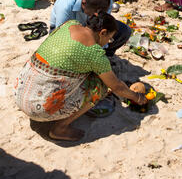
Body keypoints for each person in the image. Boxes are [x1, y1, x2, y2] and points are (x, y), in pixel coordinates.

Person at [15, 12, 147, 142]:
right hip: (39, 109)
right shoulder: (94, 53)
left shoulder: (69, 24)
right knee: (100, 86)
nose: (108, 42)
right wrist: (137, 97)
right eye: (109, 38)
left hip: (20, 91)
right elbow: (117, 87)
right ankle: (60, 127)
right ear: (102, 32)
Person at [50, 0, 131, 57]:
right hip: (64, 31)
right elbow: (61, 37)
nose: (96, 15)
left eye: (100, 13)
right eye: (94, 12)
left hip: (89, 28)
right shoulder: (65, 6)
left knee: (124, 31)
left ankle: (105, 55)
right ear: (83, 3)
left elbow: (103, 25)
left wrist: (99, 47)